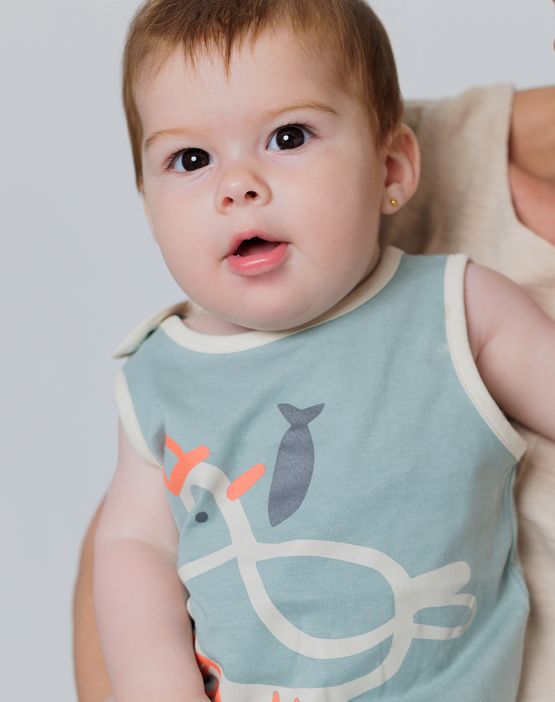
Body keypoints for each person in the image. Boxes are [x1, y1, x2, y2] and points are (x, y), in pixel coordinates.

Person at [83, 1, 555, 701]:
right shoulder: (161, 375)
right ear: (149, 205)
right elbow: (135, 548)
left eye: (288, 136)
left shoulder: (458, 311)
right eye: (191, 159)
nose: (237, 186)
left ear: (391, 168)